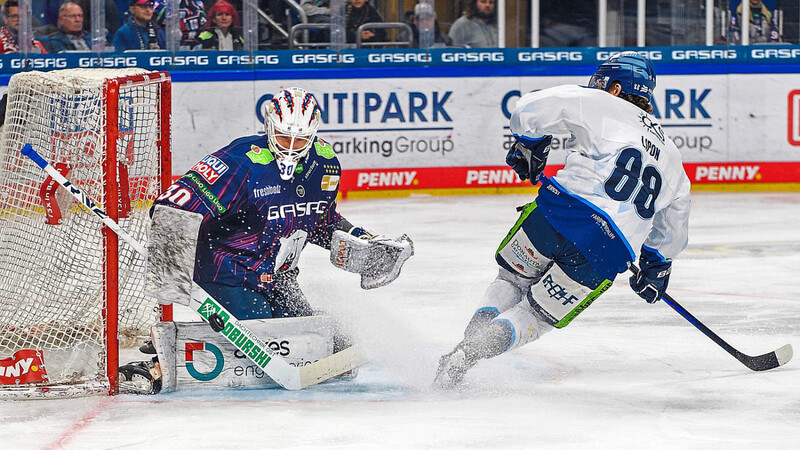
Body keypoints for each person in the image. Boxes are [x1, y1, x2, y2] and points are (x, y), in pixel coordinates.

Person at [433, 52, 691, 389]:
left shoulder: (603, 103)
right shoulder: (674, 158)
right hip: (607, 249)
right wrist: (657, 265)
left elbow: (530, 106)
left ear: (615, 87)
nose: (595, 86)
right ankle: (468, 356)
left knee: (510, 282)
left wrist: (529, 143)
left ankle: (460, 349)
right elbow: (675, 222)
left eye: (600, 82)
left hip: (558, 212)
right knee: (537, 316)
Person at [150, 87, 413, 321]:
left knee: (329, 347)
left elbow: (319, 220)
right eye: (283, 136)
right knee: (274, 342)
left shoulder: (325, 164)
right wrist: (169, 275)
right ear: (268, 126)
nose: (290, 147)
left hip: (278, 277)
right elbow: (170, 209)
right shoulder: (241, 162)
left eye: (299, 140)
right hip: (228, 272)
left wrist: (360, 238)